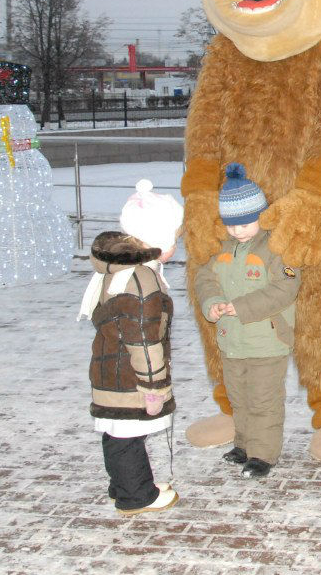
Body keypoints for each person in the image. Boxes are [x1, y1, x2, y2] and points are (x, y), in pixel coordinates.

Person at [79, 179, 184, 514]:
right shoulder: (141, 280)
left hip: (111, 365)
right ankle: (136, 496)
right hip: (128, 374)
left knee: (118, 430)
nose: (177, 243)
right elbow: (143, 337)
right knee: (126, 433)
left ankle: (123, 484)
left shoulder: (126, 269)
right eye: (175, 237)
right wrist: (154, 386)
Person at [193, 163, 301, 478]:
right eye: (231, 225)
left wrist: (241, 307)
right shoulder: (222, 249)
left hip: (267, 341)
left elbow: (285, 289)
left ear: (261, 216)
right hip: (232, 341)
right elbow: (205, 278)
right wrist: (212, 303)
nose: (238, 231)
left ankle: (262, 454)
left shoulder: (276, 249)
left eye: (245, 223)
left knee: (263, 399)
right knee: (239, 397)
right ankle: (243, 444)